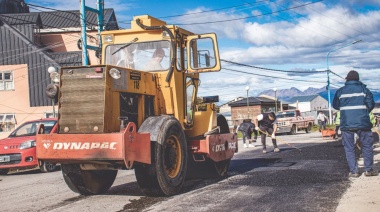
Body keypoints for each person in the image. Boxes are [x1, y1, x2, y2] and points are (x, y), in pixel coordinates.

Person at [333, 70, 378, 177]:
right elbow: (371, 105)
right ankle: (369, 170)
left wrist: (347, 111)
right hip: (363, 123)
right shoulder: (364, 90)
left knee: (349, 148)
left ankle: (354, 171)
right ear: (358, 79)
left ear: (347, 79)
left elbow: (335, 105)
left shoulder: (340, 91)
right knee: (367, 146)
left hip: (346, 124)